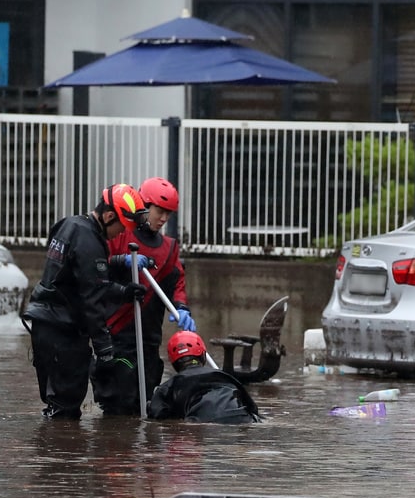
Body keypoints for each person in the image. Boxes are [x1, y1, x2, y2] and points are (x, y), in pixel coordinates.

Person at [22, 183, 151, 419]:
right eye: (122, 226)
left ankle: (48, 452)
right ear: (109, 215)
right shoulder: (90, 241)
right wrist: (105, 351)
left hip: (44, 326)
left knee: (55, 404)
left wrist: (123, 292)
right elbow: (92, 302)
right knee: (65, 412)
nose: (122, 233)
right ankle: (59, 454)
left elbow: (79, 278)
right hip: (64, 334)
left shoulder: (69, 224)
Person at [92, 176, 193, 415]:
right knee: (118, 401)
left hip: (148, 336)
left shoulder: (169, 248)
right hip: (118, 333)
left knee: (145, 398)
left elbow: (176, 281)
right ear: (145, 206)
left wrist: (181, 307)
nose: (164, 219)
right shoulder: (120, 236)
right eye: (160, 211)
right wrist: (121, 262)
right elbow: (97, 268)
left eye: (169, 213)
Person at [148, 331, 261, 424]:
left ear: (173, 362)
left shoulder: (170, 385)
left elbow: (157, 414)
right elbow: (253, 408)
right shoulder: (225, 377)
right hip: (242, 418)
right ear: (203, 355)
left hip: (204, 421)